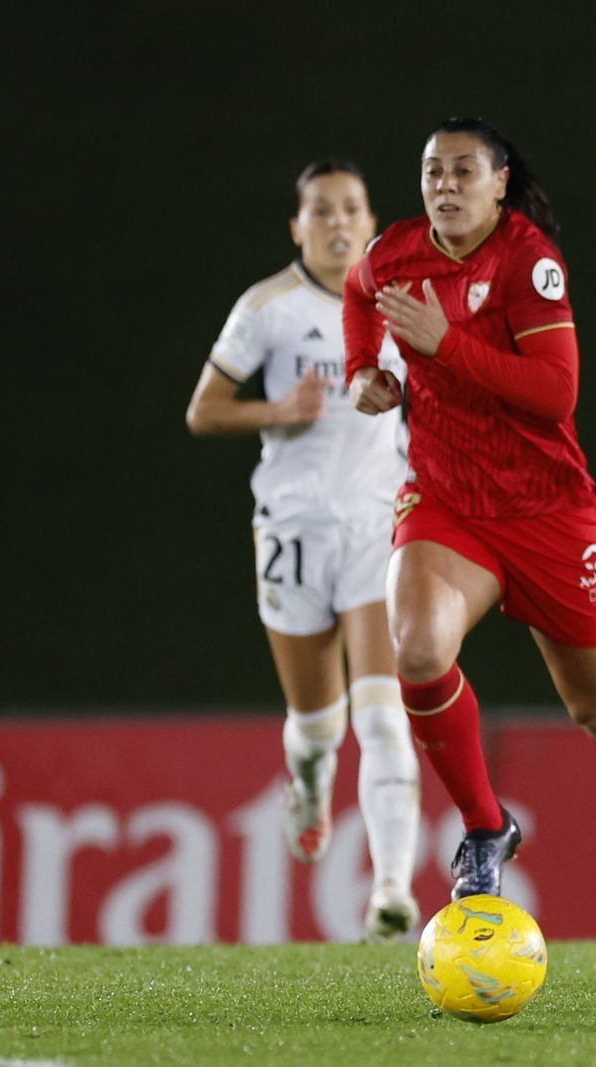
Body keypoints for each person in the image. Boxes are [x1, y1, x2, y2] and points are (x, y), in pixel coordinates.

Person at [341, 117, 596, 965]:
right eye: (432, 170)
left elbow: (555, 393)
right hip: (447, 505)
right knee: (419, 648)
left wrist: (445, 345)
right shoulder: (396, 253)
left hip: (549, 513)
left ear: (501, 182)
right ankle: (484, 824)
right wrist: (368, 371)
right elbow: (362, 295)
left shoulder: (526, 261)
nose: (445, 184)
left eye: (464, 170)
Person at [185, 159, 421, 942]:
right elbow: (203, 411)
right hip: (290, 531)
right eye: (320, 211)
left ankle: (391, 890)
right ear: (297, 227)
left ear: (368, 217)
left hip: (376, 526)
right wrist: (276, 409)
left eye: (350, 208)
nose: (337, 222)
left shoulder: (399, 306)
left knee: (384, 717)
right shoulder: (268, 309)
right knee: (317, 724)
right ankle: (311, 783)